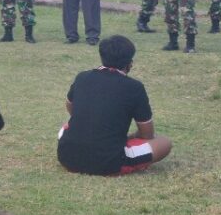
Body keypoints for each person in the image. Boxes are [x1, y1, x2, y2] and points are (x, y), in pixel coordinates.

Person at [57, 35, 172, 176]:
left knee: (67, 126)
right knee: (164, 142)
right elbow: (147, 134)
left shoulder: (82, 77)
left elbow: (70, 107)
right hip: (109, 162)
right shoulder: (134, 87)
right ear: (130, 63)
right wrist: (131, 136)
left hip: (67, 156)